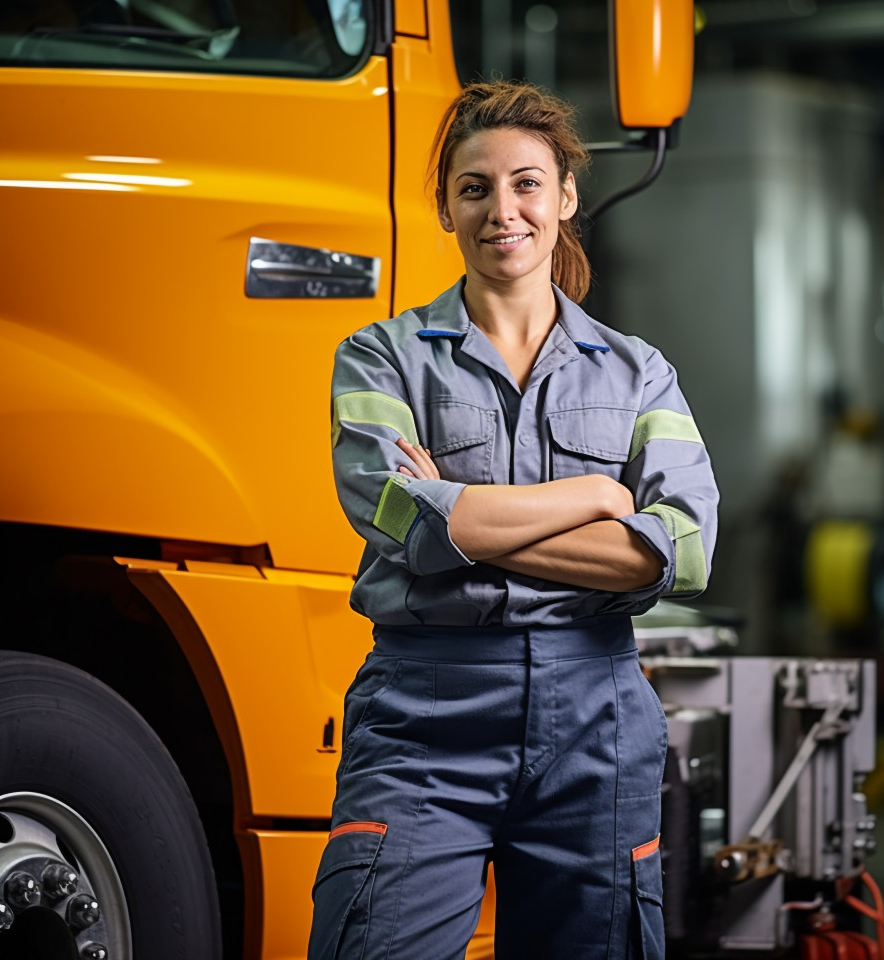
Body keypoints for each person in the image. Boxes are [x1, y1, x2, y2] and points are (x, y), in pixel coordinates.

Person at [308, 80, 719, 960]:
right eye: (475, 188)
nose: (504, 210)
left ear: (566, 197)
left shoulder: (638, 373)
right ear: (447, 208)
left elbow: (679, 552)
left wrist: (462, 516)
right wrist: (600, 499)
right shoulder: (378, 358)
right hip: (424, 715)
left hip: (597, 720)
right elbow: (405, 526)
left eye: (527, 183)